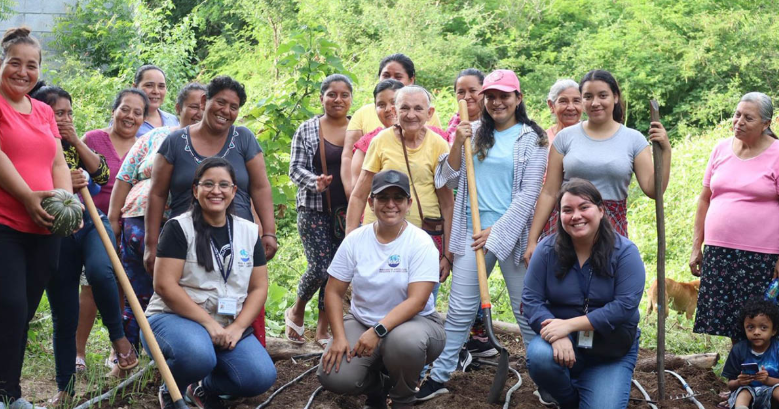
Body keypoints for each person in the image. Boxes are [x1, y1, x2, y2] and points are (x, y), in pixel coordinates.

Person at [417, 69, 548, 402]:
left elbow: (530, 193)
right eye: (490, 96)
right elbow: (447, 179)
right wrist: (457, 143)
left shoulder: (533, 138)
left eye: (504, 95)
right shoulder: (472, 131)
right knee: (460, 311)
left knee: (527, 311)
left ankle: (546, 381)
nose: (497, 102)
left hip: (513, 234)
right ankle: (440, 375)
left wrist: (497, 232)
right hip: (470, 232)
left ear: (518, 98)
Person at [30, 86, 137, 403]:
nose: (64, 119)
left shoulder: (72, 143)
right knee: (65, 311)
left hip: (90, 220)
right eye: (57, 113)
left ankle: (119, 341)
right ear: (41, 113)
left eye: (68, 113)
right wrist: (60, 184)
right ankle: (65, 389)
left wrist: (74, 139)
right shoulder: (31, 144)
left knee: (102, 272)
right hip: (56, 231)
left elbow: (103, 174)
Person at [142, 157, 276, 409]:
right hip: (173, 319)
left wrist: (237, 327)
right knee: (197, 356)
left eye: (224, 185)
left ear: (234, 191)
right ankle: (174, 389)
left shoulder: (248, 231)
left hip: (226, 322)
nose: (216, 191)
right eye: (208, 184)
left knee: (259, 377)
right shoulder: (178, 228)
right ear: (195, 189)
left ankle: (202, 387)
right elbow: (164, 286)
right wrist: (208, 324)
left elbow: (258, 288)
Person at [317, 170, 445, 409]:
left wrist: (378, 331)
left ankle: (402, 399)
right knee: (333, 375)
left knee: (404, 343)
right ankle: (377, 388)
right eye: (383, 197)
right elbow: (333, 291)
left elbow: (417, 301)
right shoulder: (355, 240)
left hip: (416, 324)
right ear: (370, 202)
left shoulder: (420, 242)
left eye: (398, 198)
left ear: (409, 204)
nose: (390, 204)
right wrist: (339, 337)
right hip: (362, 320)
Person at [522, 178, 646, 409]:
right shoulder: (546, 250)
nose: (575, 216)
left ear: (600, 211)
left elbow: (624, 306)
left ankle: (594, 388)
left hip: (611, 350)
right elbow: (530, 301)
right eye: (567, 210)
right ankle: (568, 400)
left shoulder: (625, 253)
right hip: (563, 345)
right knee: (539, 355)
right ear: (559, 216)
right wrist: (558, 334)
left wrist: (569, 325)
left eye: (584, 207)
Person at [0, 27, 73, 409]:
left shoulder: (43, 110)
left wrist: (67, 204)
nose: (22, 72)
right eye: (14, 63)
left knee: (22, 312)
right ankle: (7, 393)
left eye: (31, 65)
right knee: (9, 305)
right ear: (2, 63)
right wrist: (27, 197)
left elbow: (58, 161)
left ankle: (7, 390)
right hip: (5, 224)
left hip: (45, 228)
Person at [524, 69, 671, 257]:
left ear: (615, 97)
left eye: (603, 96)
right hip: (568, 224)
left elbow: (653, 189)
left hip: (611, 227)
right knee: (563, 283)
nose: (595, 103)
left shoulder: (633, 140)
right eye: (587, 97)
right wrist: (532, 240)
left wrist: (666, 151)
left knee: (606, 282)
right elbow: (549, 191)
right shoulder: (565, 138)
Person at [108, 83, 207, 358]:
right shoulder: (156, 136)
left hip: (187, 227)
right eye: (193, 106)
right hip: (139, 220)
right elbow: (125, 177)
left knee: (180, 292)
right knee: (137, 291)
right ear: (178, 109)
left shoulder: (214, 143)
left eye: (204, 106)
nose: (199, 112)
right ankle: (127, 357)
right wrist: (113, 220)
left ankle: (171, 353)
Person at [144, 75, 277, 276]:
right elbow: (157, 194)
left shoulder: (244, 139)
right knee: (184, 300)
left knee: (243, 300)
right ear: (205, 101)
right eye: (221, 102)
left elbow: (260, 187)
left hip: (238, 244)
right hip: (184, 244)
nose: (226, 111)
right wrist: (151, 244)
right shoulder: (175, 142)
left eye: (234, 107)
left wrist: (269, 232)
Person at [690, 92, 779, 343]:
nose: (739, 121)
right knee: (733, 320)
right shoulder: (720, 149)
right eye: (737, 114)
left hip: (762, 256)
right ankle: (742, 372)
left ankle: (765, 375)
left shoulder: (777, 154)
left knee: (761, 321)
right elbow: (705, 199)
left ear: (765, 124)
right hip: (720, 251)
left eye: (748, 118)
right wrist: (697, 247)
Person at [345, 85, 454, 284]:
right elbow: (359, 194)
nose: (411, 114)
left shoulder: (439, 144)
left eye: (418, 109)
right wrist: (350, 243)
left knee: (420, 299)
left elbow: (447, 203)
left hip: (424, 238)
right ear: (395, 112)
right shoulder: (381, 141)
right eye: (404, 108)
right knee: (376, 293)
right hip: (380, 237)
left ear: (429, 113)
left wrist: (447, 253)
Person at [81, 88, 150, 377]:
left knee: (124, 287)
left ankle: (118, 349)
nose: (130, 116)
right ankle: (78, 351)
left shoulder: (145, 145)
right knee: (89, 288)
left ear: (144, 119)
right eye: (125, 108)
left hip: (128, 227)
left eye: (137, 112)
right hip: (93, 226)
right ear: (113, 110)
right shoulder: (93, 139)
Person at [286, 74, 353, 346]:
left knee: (338, 272)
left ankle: (324, 328)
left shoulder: (356, 129)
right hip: (313, 209)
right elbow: (294, 168)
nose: (338, 99)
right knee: (320, 267)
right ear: (321, 97)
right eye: (331, 94)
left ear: (351, 99)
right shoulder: (307, 129)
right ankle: (297, 308)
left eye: (344, 94)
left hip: (346, 214)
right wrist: (316, 182)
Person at [341, 53, 442, 196]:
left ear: (411, 80)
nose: (389, 109)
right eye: (386, 75)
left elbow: (442, 178)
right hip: (378, 206)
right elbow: (349, 159)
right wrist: (352, 195)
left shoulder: (426, 118)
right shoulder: (364, 120)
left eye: (398, 76)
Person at [722, 299, 779, 409]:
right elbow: (730, 384)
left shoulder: (777, 349)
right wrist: (739, 382)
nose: (756, 332)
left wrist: (767, 380)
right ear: (744, 328)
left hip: (772, 395)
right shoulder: (738, 349)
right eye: (751, 327)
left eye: (763, 327)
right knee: (744, 391)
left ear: (773, 330)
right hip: (748, 392)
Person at [133, 65, 179, 136]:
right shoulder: (126, 121)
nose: (156, 91)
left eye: (161, 86)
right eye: (149, 85)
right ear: (135, 87)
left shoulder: (173, 120)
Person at [444, 68, 484, 142]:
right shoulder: (454, 122)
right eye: (461, 92)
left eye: (473, 91)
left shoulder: (494, 123)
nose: (466, 97)